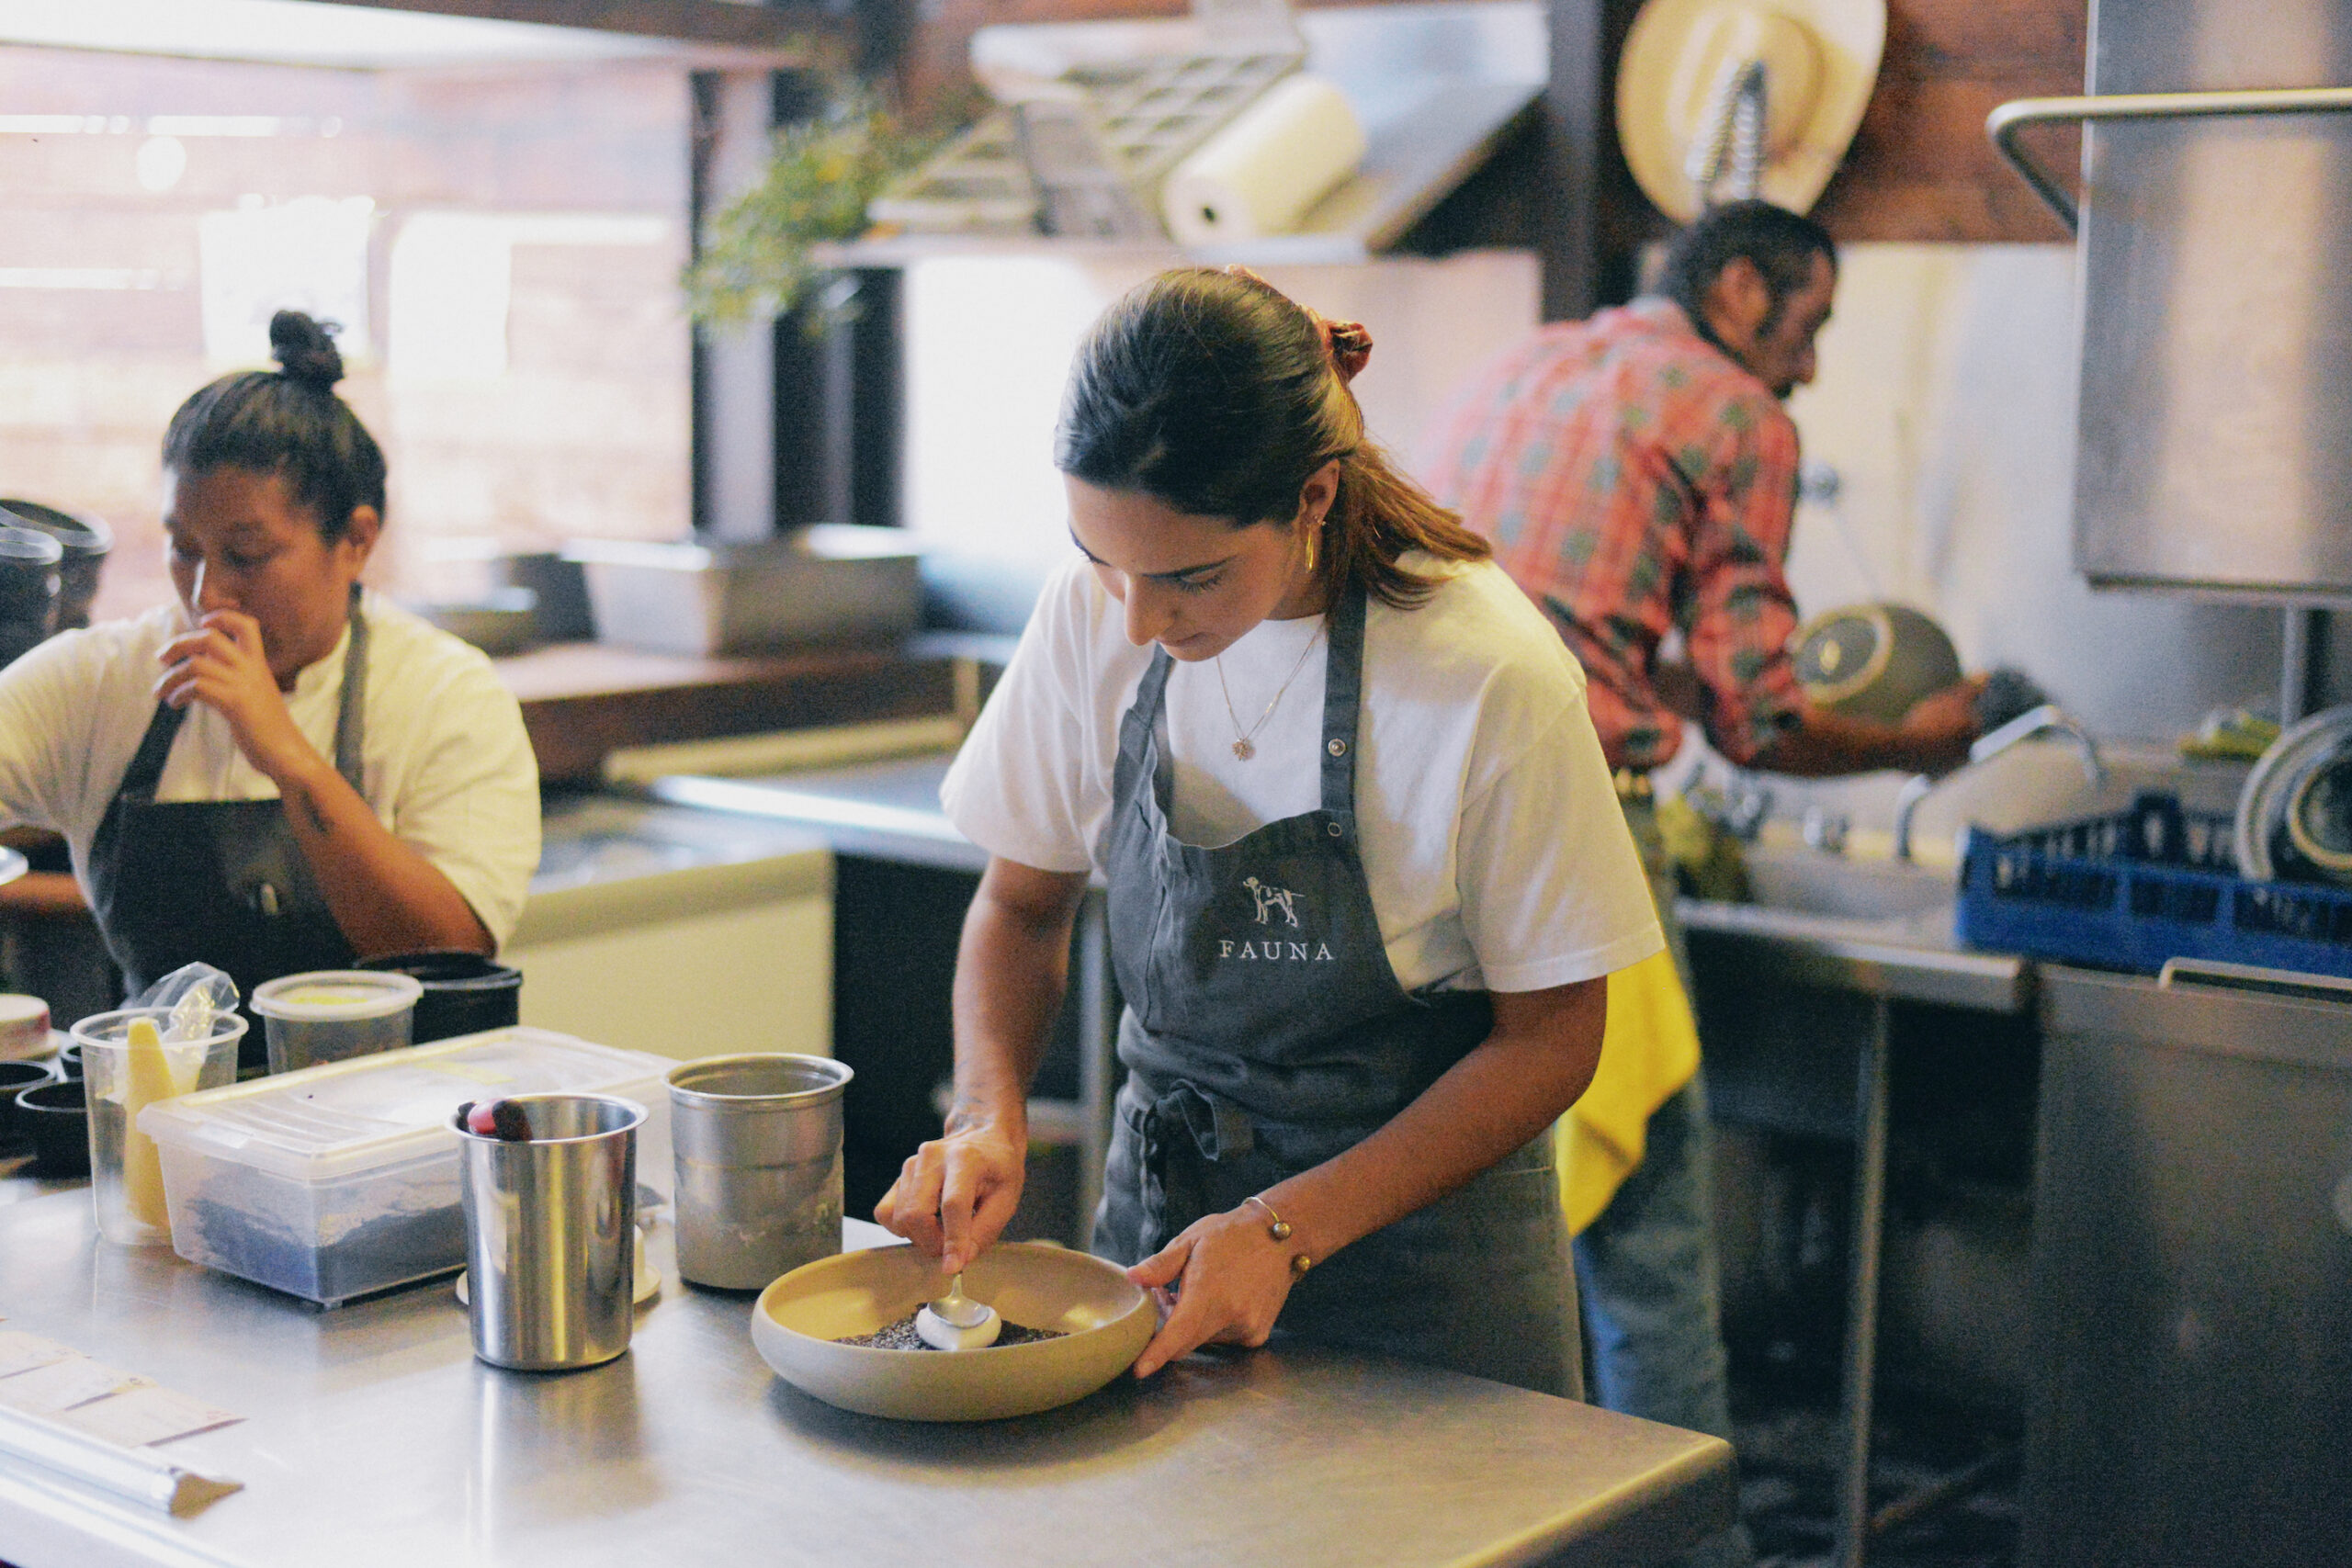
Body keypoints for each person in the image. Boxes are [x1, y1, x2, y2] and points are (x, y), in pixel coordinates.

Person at [875, 267, 1665, 1395]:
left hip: (1424, 1290)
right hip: (1156, 1249)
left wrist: (1285, 1231)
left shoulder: (1481, 670)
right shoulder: (1097, 610)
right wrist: (988, 1113)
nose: (1140, 618)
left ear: (1311, 497)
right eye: (1103, 559)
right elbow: (1018, 903)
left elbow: (1552, 1039)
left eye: (1190, 575)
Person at [1421, 200, 1984, 1564]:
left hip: (1417, 829)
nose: (1806, 370)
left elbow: (1546, 617)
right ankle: (1686, 1555)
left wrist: (1653, 677)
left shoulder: (1530, 361)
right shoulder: (1737, 413)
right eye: (1810, 330)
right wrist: (1920, 742)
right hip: (1571, 832)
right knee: (1650, 1239)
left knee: (1470, 1220)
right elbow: (1765, 723)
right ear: (1742, 290)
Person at [0, 310, 540, 1061]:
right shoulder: (107, 680)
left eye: (247, 555)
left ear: (356, 541)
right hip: (161, 1117)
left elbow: (449, 946)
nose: (208, 593)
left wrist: (285, 753)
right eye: (183, 550)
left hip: (389, 1122)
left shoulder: (445, 694)